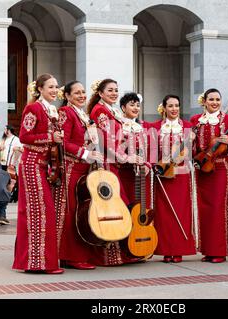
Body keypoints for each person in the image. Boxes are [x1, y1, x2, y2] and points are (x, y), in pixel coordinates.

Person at [12, 73, 64, 274]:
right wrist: (51, 136)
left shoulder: (52, 110)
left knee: (43, 211)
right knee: (39, 212)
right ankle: (37, 263)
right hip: (32, 162)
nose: (54, 90)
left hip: (45, 164)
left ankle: (40, 261)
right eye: (50, 87)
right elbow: (25, 137)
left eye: (56, 86)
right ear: (40, 89)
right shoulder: (33, 108)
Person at [86, 78, 140, 266]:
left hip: (113, 163)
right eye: (110, 90)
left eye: (116, 90)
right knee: (113, 207)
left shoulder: (111, 111)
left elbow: (118, 138)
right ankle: (109, 255)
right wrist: (126, 158)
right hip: (106, 164)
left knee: (118, 206)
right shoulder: (100, 111)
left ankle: (118, 253)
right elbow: (105, 141)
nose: (115, 93)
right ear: (100, 93)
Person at [54, 80, 104, 270]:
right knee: (71, 212)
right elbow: (63, 142)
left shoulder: (82, 114)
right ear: (67, 96)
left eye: (83, 92)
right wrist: (85, 153)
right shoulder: (66, 113)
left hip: (83, 169)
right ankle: (69, 255)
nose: (82, 95)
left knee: (81, 212)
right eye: (77, 93)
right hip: (70, 169)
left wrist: (91, 150)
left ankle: (76, 254)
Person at [190, 89, 228, 263]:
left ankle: (219, 251)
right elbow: (192, 148)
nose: (215, 102)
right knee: (204, 207)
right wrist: (190, 140)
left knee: (218, 207)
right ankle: (207, 250)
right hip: (202, 166)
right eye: (211, 99)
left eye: (218, 99)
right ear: (205, 101)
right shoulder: (195, 120)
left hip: (221, 167)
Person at [151, 94, 196, 263]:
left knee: (181, 211)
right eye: (170, 106)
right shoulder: (155, 128)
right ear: (164, 108)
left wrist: (191, 142)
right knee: (163, 215)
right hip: (163, 175)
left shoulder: (188, 127)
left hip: (182, 176)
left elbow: (193, 153)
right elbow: (151, 150)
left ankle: (178, 250)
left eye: (177, 105)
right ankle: (165, 250)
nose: (174, 109)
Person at [117, 92, 150, 206]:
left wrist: (146, 165)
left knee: (136, 206)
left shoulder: (140, 127)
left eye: (138, 105)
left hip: (137, 176)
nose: (136, 108)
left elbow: (146, 150)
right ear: (123, 108)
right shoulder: (118, 125)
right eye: (132, 105)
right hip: (121, 172)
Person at [0, 125, 23, 202]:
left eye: (5, 129)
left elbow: (20, 149)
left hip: (11, 163)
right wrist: (0, 147)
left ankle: (14, 195)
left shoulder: (15, 139)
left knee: (12, 180)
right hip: (3, 162)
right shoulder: (4, 139)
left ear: (9, 130)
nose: (4, 131)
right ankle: (5, 195)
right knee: (4, 179)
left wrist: (14, 162)